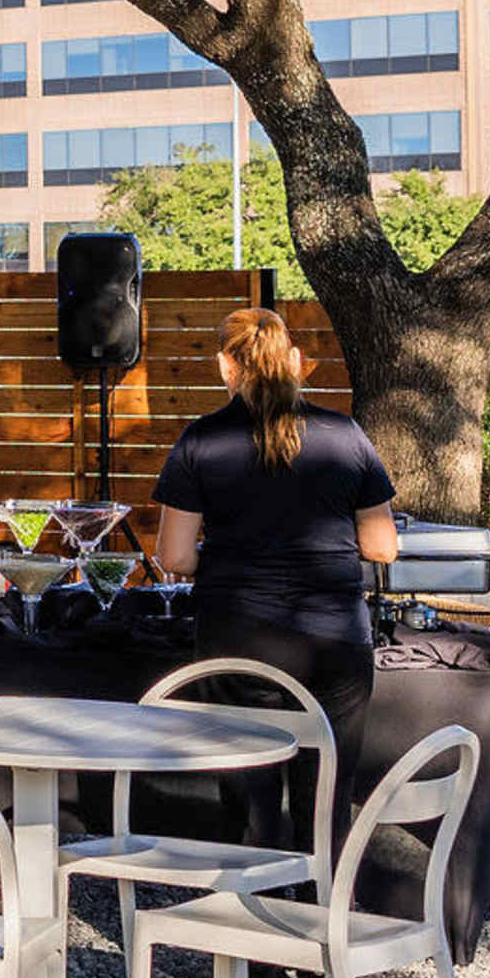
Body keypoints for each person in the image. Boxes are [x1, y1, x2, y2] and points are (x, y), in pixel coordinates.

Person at [149, 303, 400, 810]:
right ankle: (327, 888)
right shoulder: (345, 436)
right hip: (335, 644)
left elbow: (174, 556)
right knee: (327, 798)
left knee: (247, 796)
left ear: (225, 365)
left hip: (237, 638)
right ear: (295, 359)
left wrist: (226, 558)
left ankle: (250, 883)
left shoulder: (201, 440)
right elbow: (381, 546)